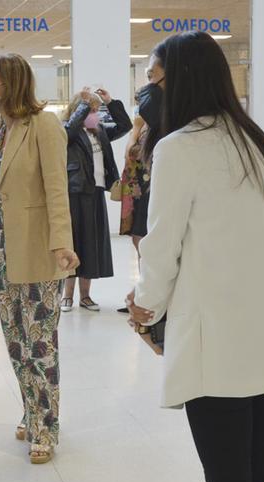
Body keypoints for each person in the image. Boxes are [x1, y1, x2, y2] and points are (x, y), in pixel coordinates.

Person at [127, 31, 264, 482]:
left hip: (218, 343)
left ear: (179, 80)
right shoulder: (251, 138)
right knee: (262, 469)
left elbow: (161, 247)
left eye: (154, 80)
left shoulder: (179, 148)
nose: (148, 93)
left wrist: (145, 307)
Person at [0, 53, 78, 465]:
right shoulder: (0, 127)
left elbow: (56, 189)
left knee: (40, 342)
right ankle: (30, 410)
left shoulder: (44, 125)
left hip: (37, 246)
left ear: (9, 83)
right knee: (15, 341)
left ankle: (46, 427)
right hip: (1, 248)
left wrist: (62, 242)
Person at [60, 86, 132, 312]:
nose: (94, 114)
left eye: (95, 110)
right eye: (91, 110)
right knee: (74, 243)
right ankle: (67, 296)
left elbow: (125, 126)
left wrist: (110, 102)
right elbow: (69, 131)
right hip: (75, 192)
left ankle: (85, 296)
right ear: (78, 110)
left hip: (96, 192)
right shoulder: (67, 130)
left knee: (91, 244)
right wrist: (83, 105)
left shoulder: (99, 131)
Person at [115, 54, 164, 314]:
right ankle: (145, 289)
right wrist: (136, 128)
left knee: (148, 242)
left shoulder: (161, 128)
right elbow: (129, 153)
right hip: (138, 192)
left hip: (152, 190)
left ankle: (150, 293)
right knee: (138, 241)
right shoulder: (142, 128)